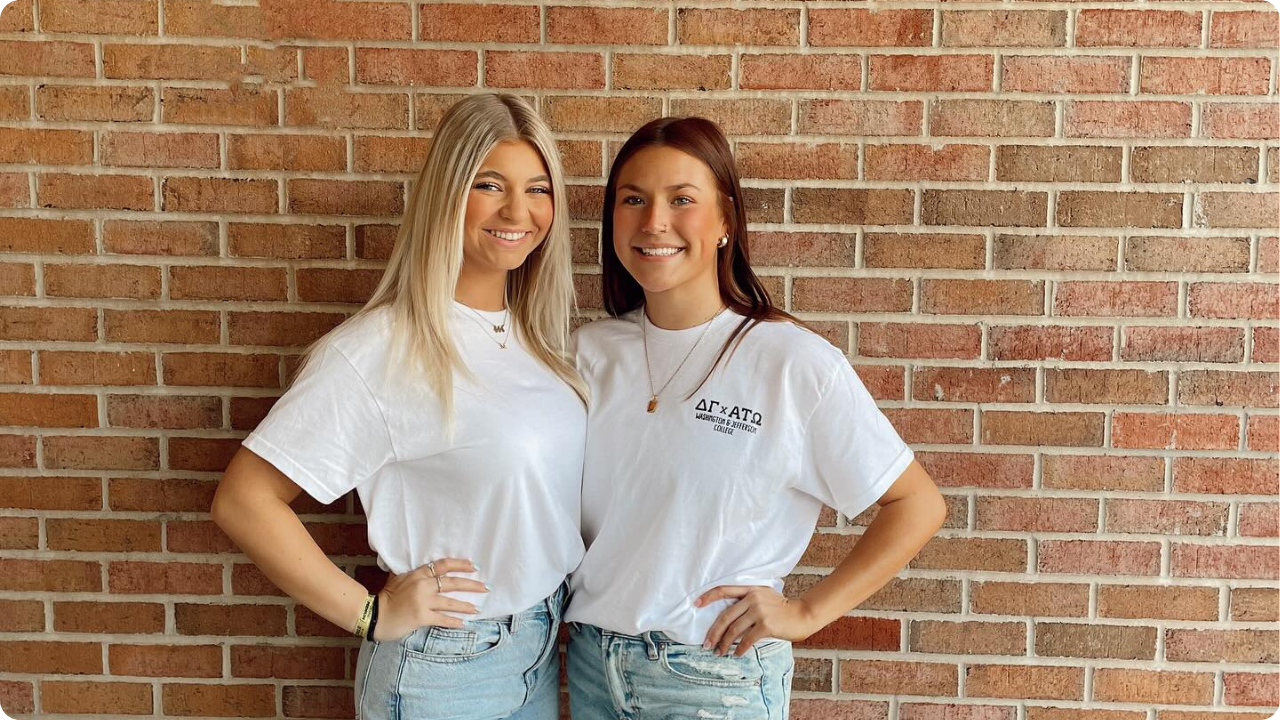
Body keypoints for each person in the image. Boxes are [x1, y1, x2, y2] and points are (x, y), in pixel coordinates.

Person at [211, 93, 585, 720]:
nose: (518, 211)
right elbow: (244, 500)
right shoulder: (385, 347)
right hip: (445, 668)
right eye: (489, 185)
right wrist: (369, 612)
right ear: (447, 194)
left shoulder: (536, 339)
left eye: (538, 189)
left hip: (540, 651)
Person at [567, 116, 948, 720]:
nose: (653, 222)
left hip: (712, 678)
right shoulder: (585, 355)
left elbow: (917, 504)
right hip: (590, 669)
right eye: (632, 199)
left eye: (681, 200)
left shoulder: (790, 362)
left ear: (725, 222)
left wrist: (805, 613)